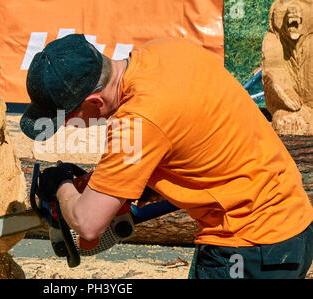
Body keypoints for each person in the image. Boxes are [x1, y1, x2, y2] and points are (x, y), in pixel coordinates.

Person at [20, 34, 313, 279]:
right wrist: (132, 184)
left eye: (67, 118)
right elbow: (195, 134)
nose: (69, 126)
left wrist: (60, 185)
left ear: (94, 101)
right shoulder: (167, 51)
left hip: (247, 247)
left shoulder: (136, 124)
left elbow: (88, 223)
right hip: (293, 224)